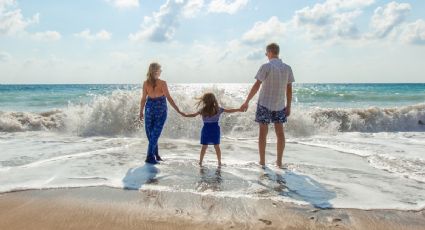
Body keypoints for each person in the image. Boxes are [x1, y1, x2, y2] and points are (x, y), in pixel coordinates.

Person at [240, 43, 295, 168]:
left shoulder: (266, 66)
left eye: (266, 53)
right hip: (280, 105)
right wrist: (289, 106)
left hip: (264, 103)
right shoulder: (287, 68)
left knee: (262, 133)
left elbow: (257, 85)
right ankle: (279, 162)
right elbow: (289, 89)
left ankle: (262, 162)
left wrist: (247, 101)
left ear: (270, 52)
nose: (266, 56)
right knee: (280, 133)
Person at [139, 62, 183, 164]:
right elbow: (168, 98)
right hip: (156, 109)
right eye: (160, 69)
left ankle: (153, 155)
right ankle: (152, 156)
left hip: (152, 109)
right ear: (156, 71)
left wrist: (141, 111)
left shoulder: (149, 83)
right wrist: (141, 111)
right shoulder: (159, 83)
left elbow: (143, 99)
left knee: (153, 134)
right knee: (152, 134)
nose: (161, 71)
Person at [182, 93, 242, 166]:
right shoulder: (218, 109)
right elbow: (229, 110)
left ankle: (200, 162)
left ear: (204, 101)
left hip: (206, 129)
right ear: (214, 100)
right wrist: (239, 109)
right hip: (215, 129)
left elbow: (193, 115)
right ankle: (219, 162)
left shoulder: (202, 110)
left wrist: (185, 115)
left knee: (204, 146)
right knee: (216, 146)